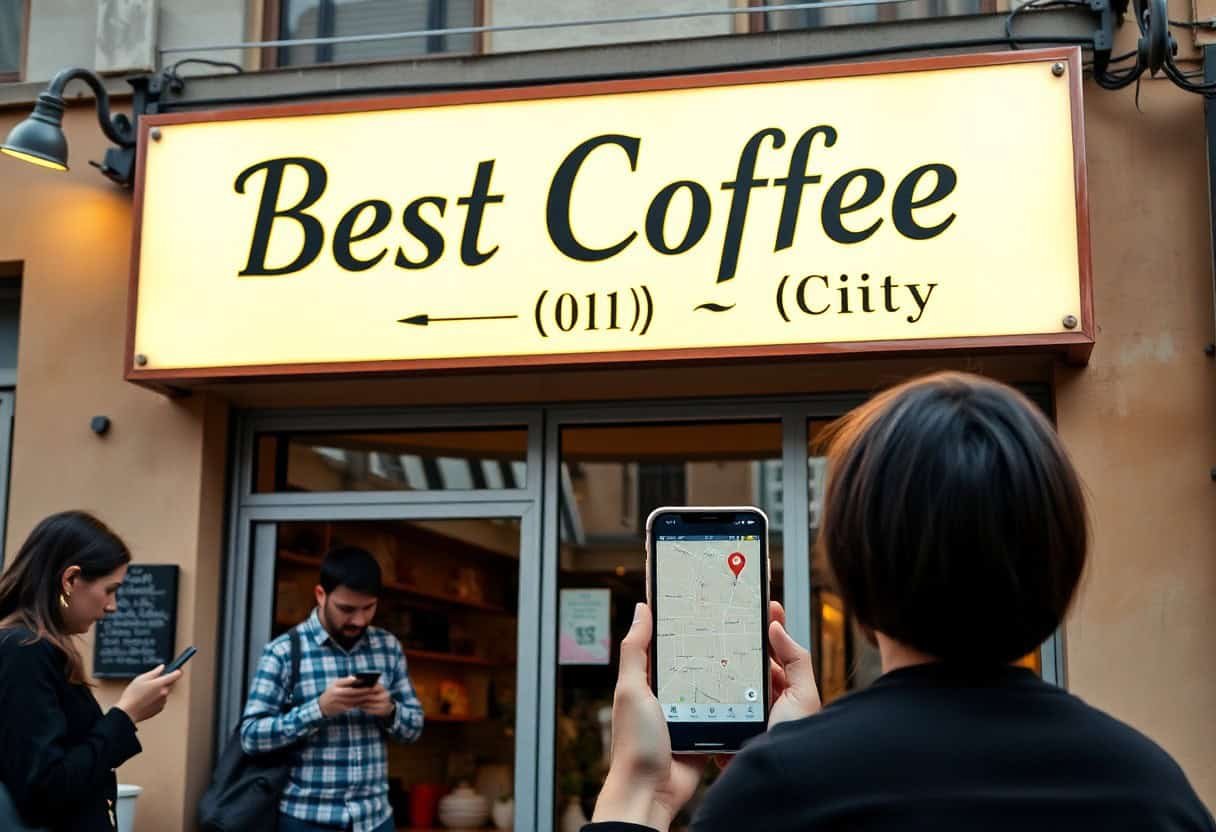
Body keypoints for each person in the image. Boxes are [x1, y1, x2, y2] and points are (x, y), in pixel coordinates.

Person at [587, 372, 1216, 832]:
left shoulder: (779, 796)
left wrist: (641, 792)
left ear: (855, 568)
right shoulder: (1153, 793)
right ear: (1063, 555)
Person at [0, 510, 183, 832]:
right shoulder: (24, 650)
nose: (112, 606)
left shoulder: (30, 647)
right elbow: (47, 787)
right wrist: (126, 715)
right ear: (70, 580)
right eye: (110, 589)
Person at [241, 544, 424, 832]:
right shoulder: (284, 651)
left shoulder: (388, 647)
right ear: (320, 595)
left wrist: (389, 711)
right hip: (306, 820)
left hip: (376, 819)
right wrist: (318, 710)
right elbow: (250, 736)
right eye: (347, 609)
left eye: (369, 608)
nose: (359, 620)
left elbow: (414, 728)